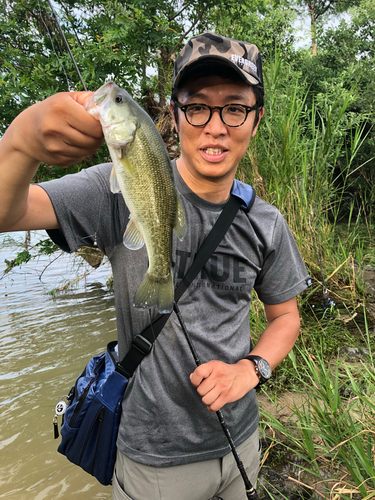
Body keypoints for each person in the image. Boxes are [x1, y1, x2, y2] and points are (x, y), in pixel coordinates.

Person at [0, 33, 311, 500]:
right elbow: (9, 213)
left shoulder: (265, 222)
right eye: (197, 107)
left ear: (256, 118)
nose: (215, 127)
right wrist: (21, 141)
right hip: (152, 461)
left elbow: (285, 317)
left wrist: (252, 369)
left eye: (235, 108)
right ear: (174, 112)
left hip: (242, 440)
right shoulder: (113, 186)